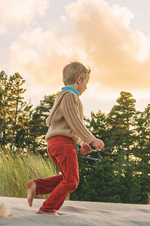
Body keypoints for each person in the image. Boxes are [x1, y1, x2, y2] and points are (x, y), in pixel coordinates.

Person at [27, 62, 104, 214]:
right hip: (62, 143)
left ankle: (37, 186)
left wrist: (81, 143)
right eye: (86, 83)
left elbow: (68, 124)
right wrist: (91, 139)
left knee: (66, 178)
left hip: (56, 143)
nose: (86, 87)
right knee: (72, 181)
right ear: (79, 80)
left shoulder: (63, 96)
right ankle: (47, 208)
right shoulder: (70, 96)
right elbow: (74, 122)